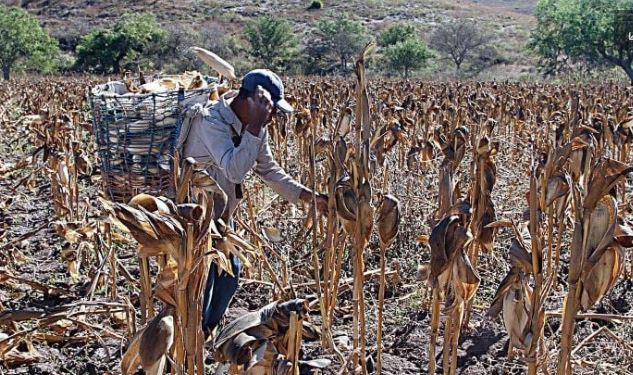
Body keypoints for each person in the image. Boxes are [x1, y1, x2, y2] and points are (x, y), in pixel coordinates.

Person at [183, 69, 328, 337]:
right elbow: (234, 170)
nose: (272, 117)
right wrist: (254, 127)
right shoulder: (210, 122)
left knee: (229, 277)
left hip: (222, 219)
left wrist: (310, 198)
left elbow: (269, 170)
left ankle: (203, 335)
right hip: (195, 219)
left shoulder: (256, 129)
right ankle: (190, 340)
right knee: (202, 283)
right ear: (251, 100)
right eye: (269, 109)